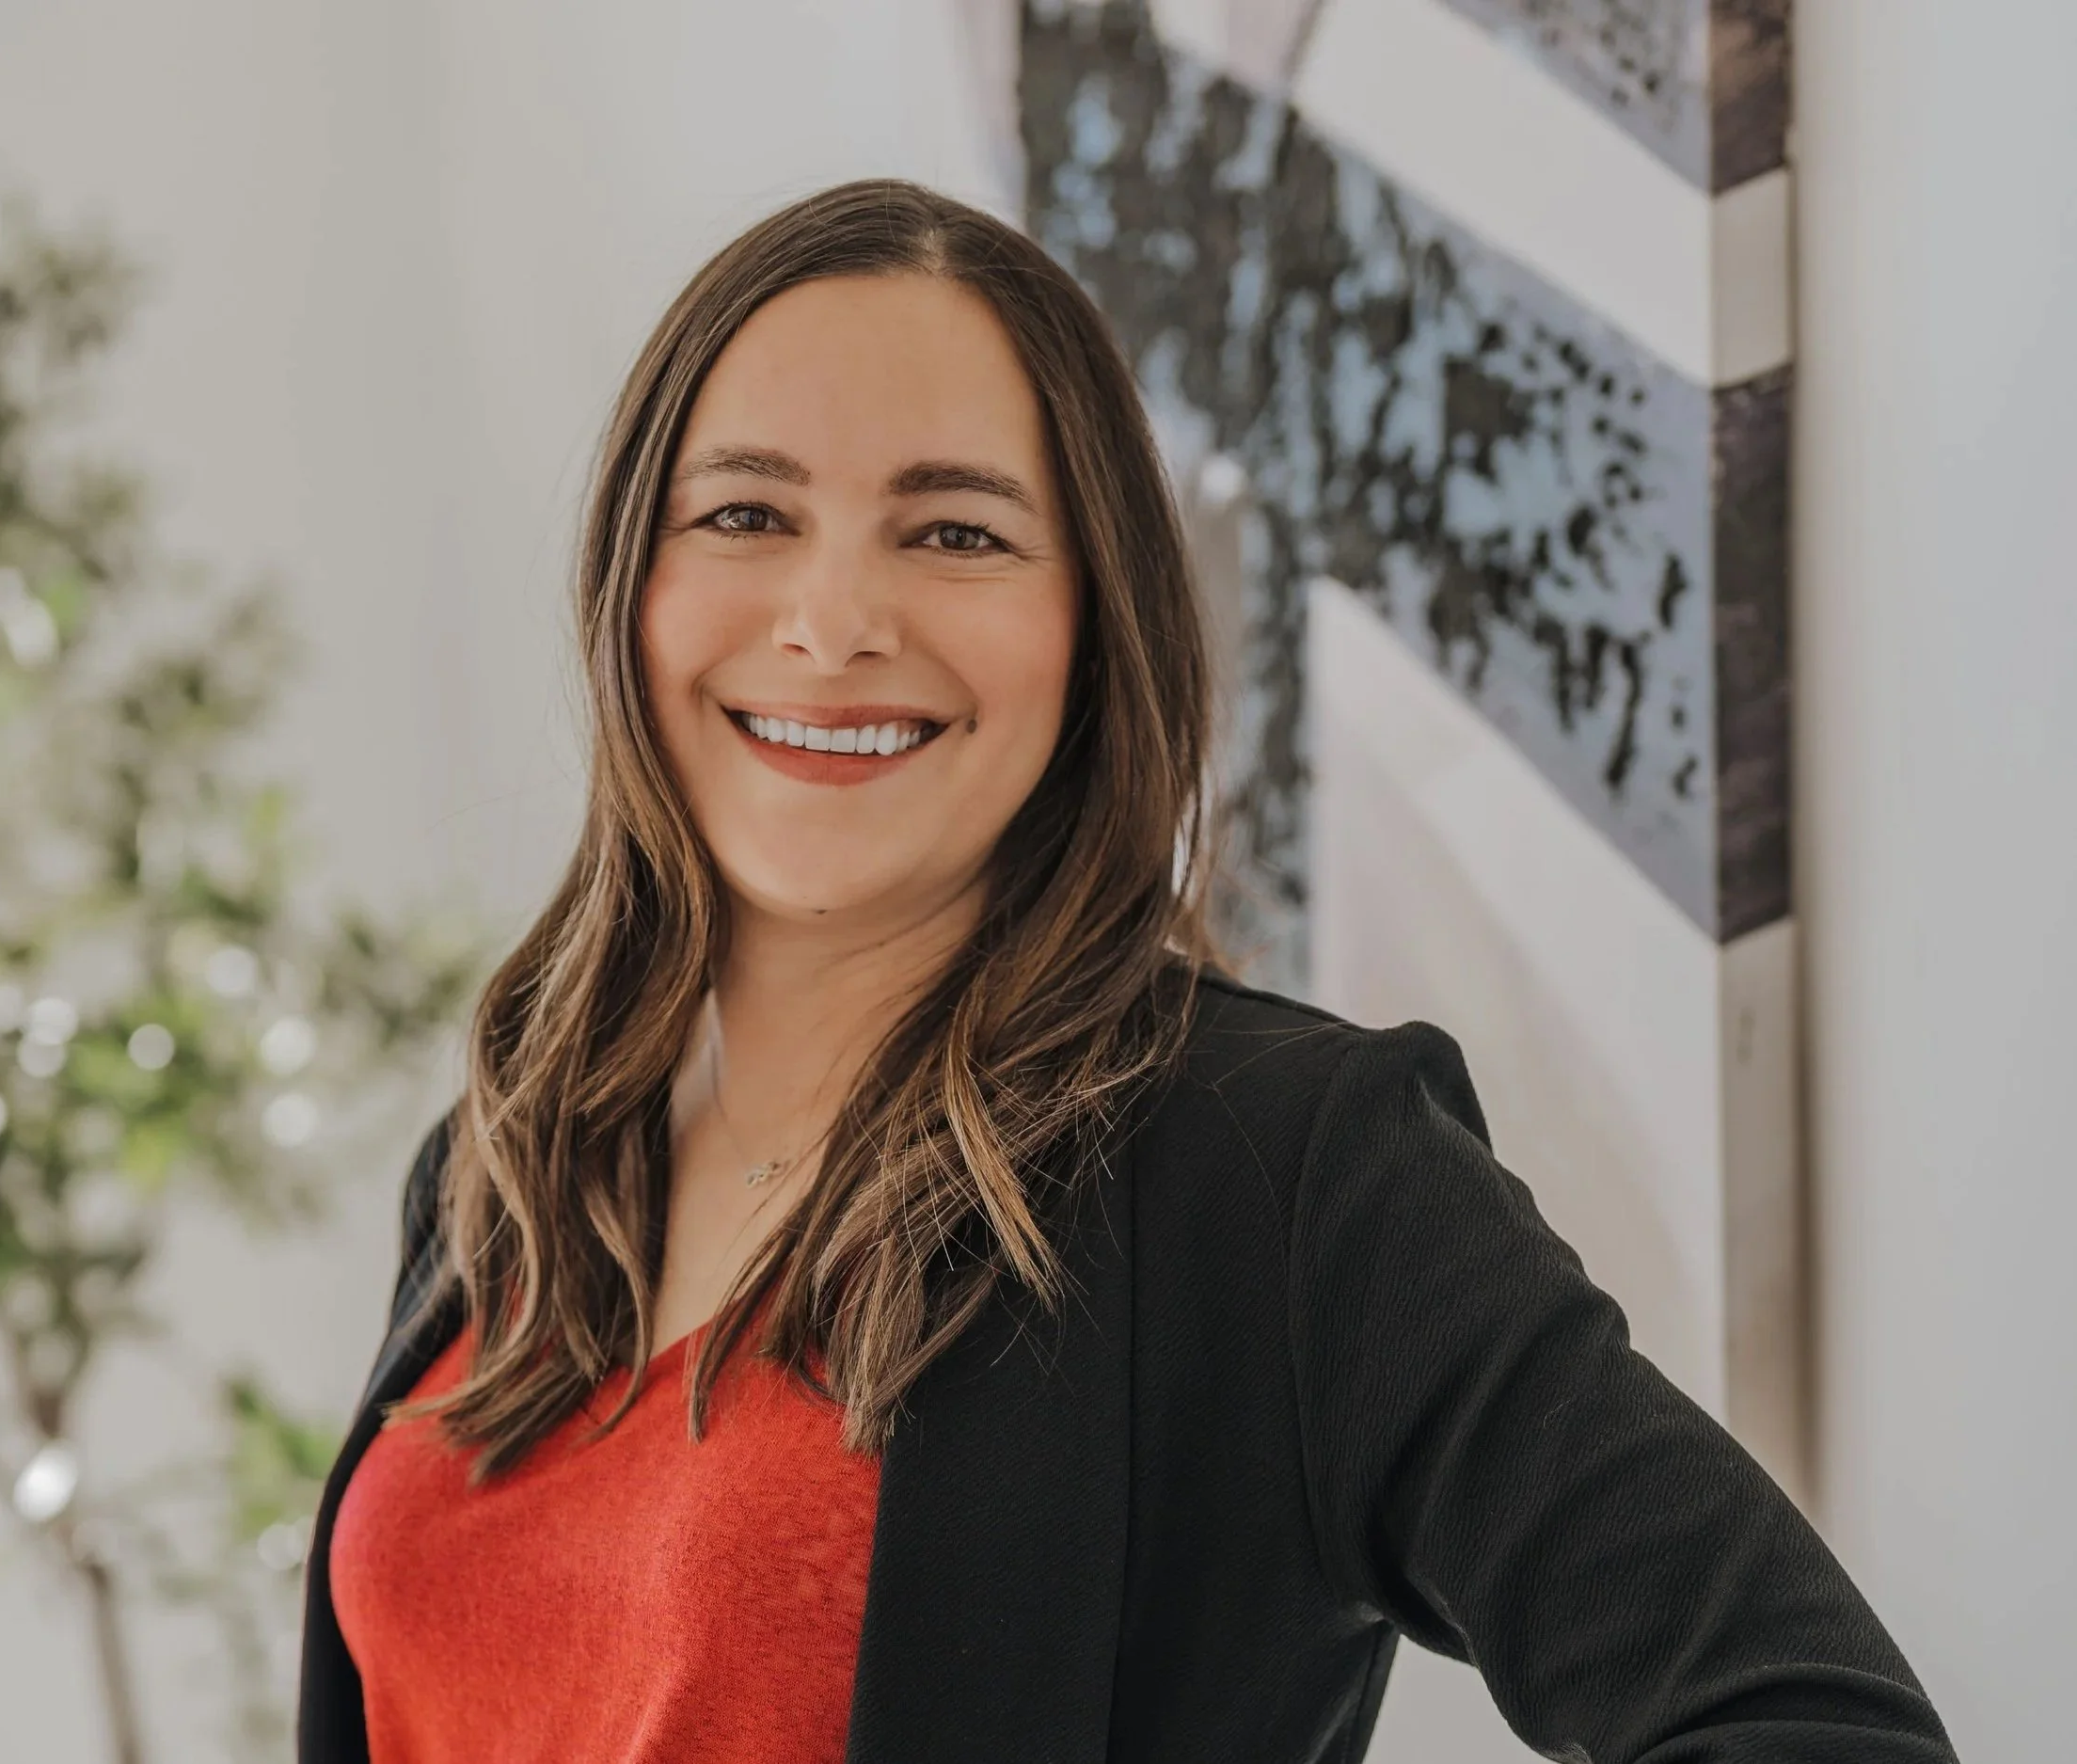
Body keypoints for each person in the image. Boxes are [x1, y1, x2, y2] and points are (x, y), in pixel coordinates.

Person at [295, 179, 1957, 1764]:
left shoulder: (1283, 1168)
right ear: (629, 585)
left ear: (1093, 625)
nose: (833, 619)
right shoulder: (513, 1159)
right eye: (745, 513)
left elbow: (1807, 1722)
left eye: (956, 531)